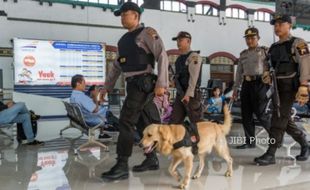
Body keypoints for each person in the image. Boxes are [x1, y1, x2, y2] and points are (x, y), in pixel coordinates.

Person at [100, 2, 169, 181]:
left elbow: (162, 55)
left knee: (126, 122)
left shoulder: (146, 33)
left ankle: (122, 164)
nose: (122, 18)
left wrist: (162, 83)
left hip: (143, 83)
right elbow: (116, 66)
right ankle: (151, 159)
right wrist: (106, 87)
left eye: (125, 14)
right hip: (132, 84)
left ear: (136, 16)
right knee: (143, 123)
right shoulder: (123, 40)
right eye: (121, 15)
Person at [254, 15, 310, 165]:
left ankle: (271, 153)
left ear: (289, 25)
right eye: (275, 24)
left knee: (278, 119)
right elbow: (267, 64)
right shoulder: (273, 47)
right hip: (276, 88)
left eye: (280, 24)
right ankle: (305, 144)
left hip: (290, 87)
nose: (276, 27)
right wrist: (266, 74)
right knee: (284, 118)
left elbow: (305, 63)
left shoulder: (298, 43)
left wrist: (304, 85)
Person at [232, 27, 271, 149]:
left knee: (261, 113)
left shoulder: (265, 51)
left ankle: (276, 137)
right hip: (246, 85)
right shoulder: (243, 54)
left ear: (258, 38)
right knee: (246, 115)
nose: (249, 41)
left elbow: (273, 67)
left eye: (252, 38)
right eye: (247, 38)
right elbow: (239, 73)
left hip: (260, 84)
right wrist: (235, 89)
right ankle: (250, 142)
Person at [169, 31, 203, 154]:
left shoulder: (194, 57)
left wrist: (188, 94)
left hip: (191, 95)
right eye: (177, 40)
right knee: (174, 121)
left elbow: (193, 78)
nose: (178, 43)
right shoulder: (179, 59)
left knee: (196, 123)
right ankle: (176, 145)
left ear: (188, 41)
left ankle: (198, 147)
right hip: (180, 94)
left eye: (180, 40)